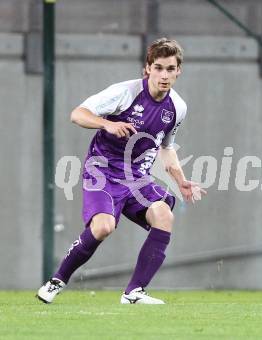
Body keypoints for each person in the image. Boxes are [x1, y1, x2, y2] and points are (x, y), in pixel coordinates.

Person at [37, 37, 206, 304]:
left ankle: (134, 292)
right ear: (147, 68)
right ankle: (57, 280)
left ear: (178, 71)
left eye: (170, 69)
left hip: (137, 178)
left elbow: (166, 147)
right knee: (104, 227)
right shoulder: (125, 93)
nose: (164, 75)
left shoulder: (178, 107)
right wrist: (106, 124)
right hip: (102, 171)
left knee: (163, 215)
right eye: (158, 67)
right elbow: (77, 114)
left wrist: (181, 181)